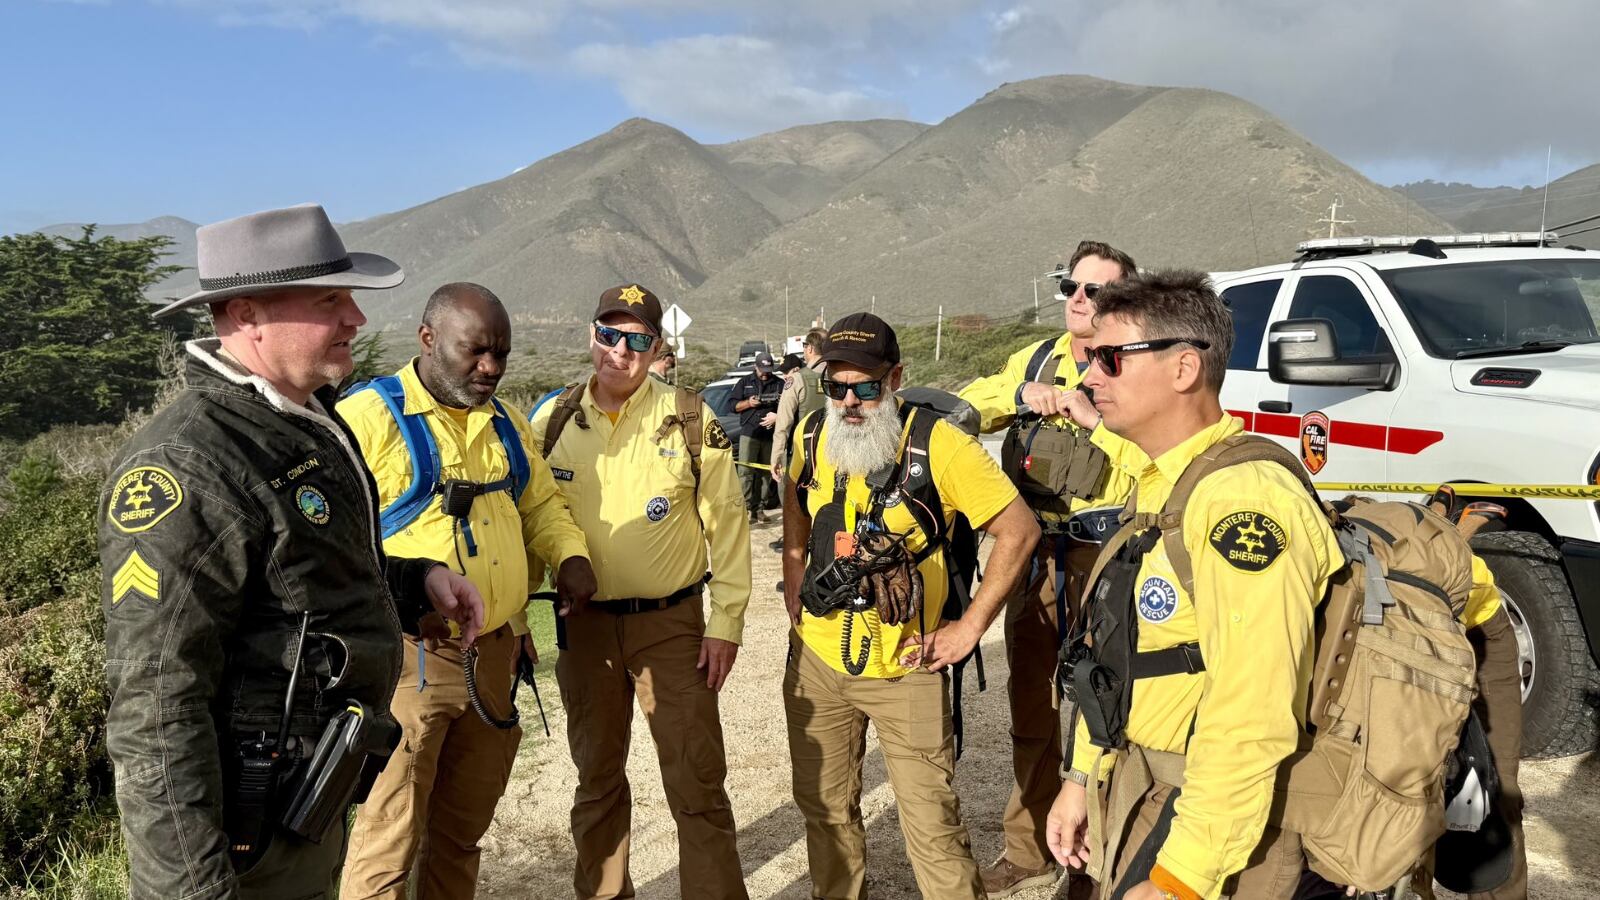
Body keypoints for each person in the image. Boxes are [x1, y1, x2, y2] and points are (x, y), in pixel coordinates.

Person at [98, 204, 486, 900]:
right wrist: (191, 889)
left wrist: (413, 582)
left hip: (307, 805)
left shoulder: (300, 420)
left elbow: (293, 584)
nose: (355, 321)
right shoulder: (188, 467)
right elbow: (155, 708)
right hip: (243, 849)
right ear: (246, 315)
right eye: (329, 301)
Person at [1044, 270, 1342, 899]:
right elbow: (1120, 656)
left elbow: (1252, 712)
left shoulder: (1244, 503)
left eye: (1109, 358)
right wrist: (1081, 778)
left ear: (1184, 369)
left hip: (1209, 814)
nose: (1088, 376)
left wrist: (1181, 879)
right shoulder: (1160, 483)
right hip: (1141, 784)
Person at [337, 283, 597, 899]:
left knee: (461, 833)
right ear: (427, 339)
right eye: (475, 351)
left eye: (501, 355)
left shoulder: (505, 421)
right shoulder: (366, 420)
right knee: (388, 835)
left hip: (496, 657)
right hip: (410, 663)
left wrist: (571, 555)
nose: (491, 369)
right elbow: (332, 547)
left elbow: (540, 507)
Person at [780, 312, 1040, 900]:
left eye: (865, 387)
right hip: (819, 661)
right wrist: (794, 570)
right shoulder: (810, 437)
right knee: (825, 815)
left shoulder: (939, 446)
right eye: (835, 387)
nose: (848, 400)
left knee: (932, 829)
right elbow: (795, 500)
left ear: (895, 378)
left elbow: (1018, 531)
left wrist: (970, 627)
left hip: (907, 665)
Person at [531, 284, 752, 900]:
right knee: (596, 779)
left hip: (671, 625)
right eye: (608, 334)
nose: (619, 352)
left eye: (636, 340)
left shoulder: (689, 418)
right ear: (590, 336)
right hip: (586, 629)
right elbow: (529, 520)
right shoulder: (551, 419)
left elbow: (728, 525)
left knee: (696, 782)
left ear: (656, 347)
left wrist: (726, 622)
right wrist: (520, 617)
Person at [955, 239, 1140, 897]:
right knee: (1032, 707)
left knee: (1109, 712)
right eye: (1072, 288)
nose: (1079, 301)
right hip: (1036, 560)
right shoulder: (1038, 358)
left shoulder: (1136, 366)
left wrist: (1097, 420)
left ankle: (1097, 865)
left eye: (1095, 290)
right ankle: (1029, 846)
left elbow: (1158, 463)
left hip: (1110, 560)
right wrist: (1022, 392)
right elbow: (968, 404)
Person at [767, 329, 829, 555]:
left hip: (804, 457)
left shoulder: (798, 379)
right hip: (836, 454)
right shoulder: (838, 375)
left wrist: (776, 458)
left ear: (809, 349)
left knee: (798, 511)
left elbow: (782, 424)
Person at [732, 351, 783, 522]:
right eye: (762, 369)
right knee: (745, 472)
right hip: (749, 432)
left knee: (766, 473)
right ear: (755, 366)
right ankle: (746, 509)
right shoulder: (745, 382)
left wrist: (777, 418)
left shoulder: (779, 383)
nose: (765, 372)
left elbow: (789, 407)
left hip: (770, 435)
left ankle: (759, 508)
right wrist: (749, 403)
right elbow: (732, 405)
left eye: (768, 369)